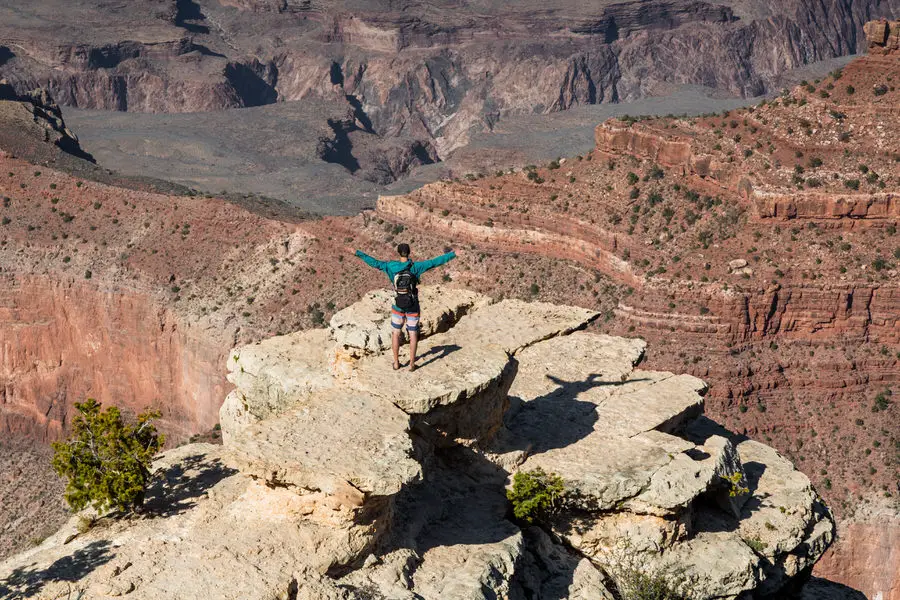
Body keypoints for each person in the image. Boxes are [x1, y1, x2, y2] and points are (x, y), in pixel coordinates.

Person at [351, 243, 456, 371]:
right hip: (413, 306)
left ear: (398, 253)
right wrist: (453, 254)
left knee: (396, 333)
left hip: (398, 306)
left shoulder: (390, 266)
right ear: (409, 252)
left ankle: (396, 363)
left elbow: (375, 263)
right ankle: (412, 364)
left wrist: (358, 253)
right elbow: (434, 262)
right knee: (413, 335)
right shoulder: (416, 267)